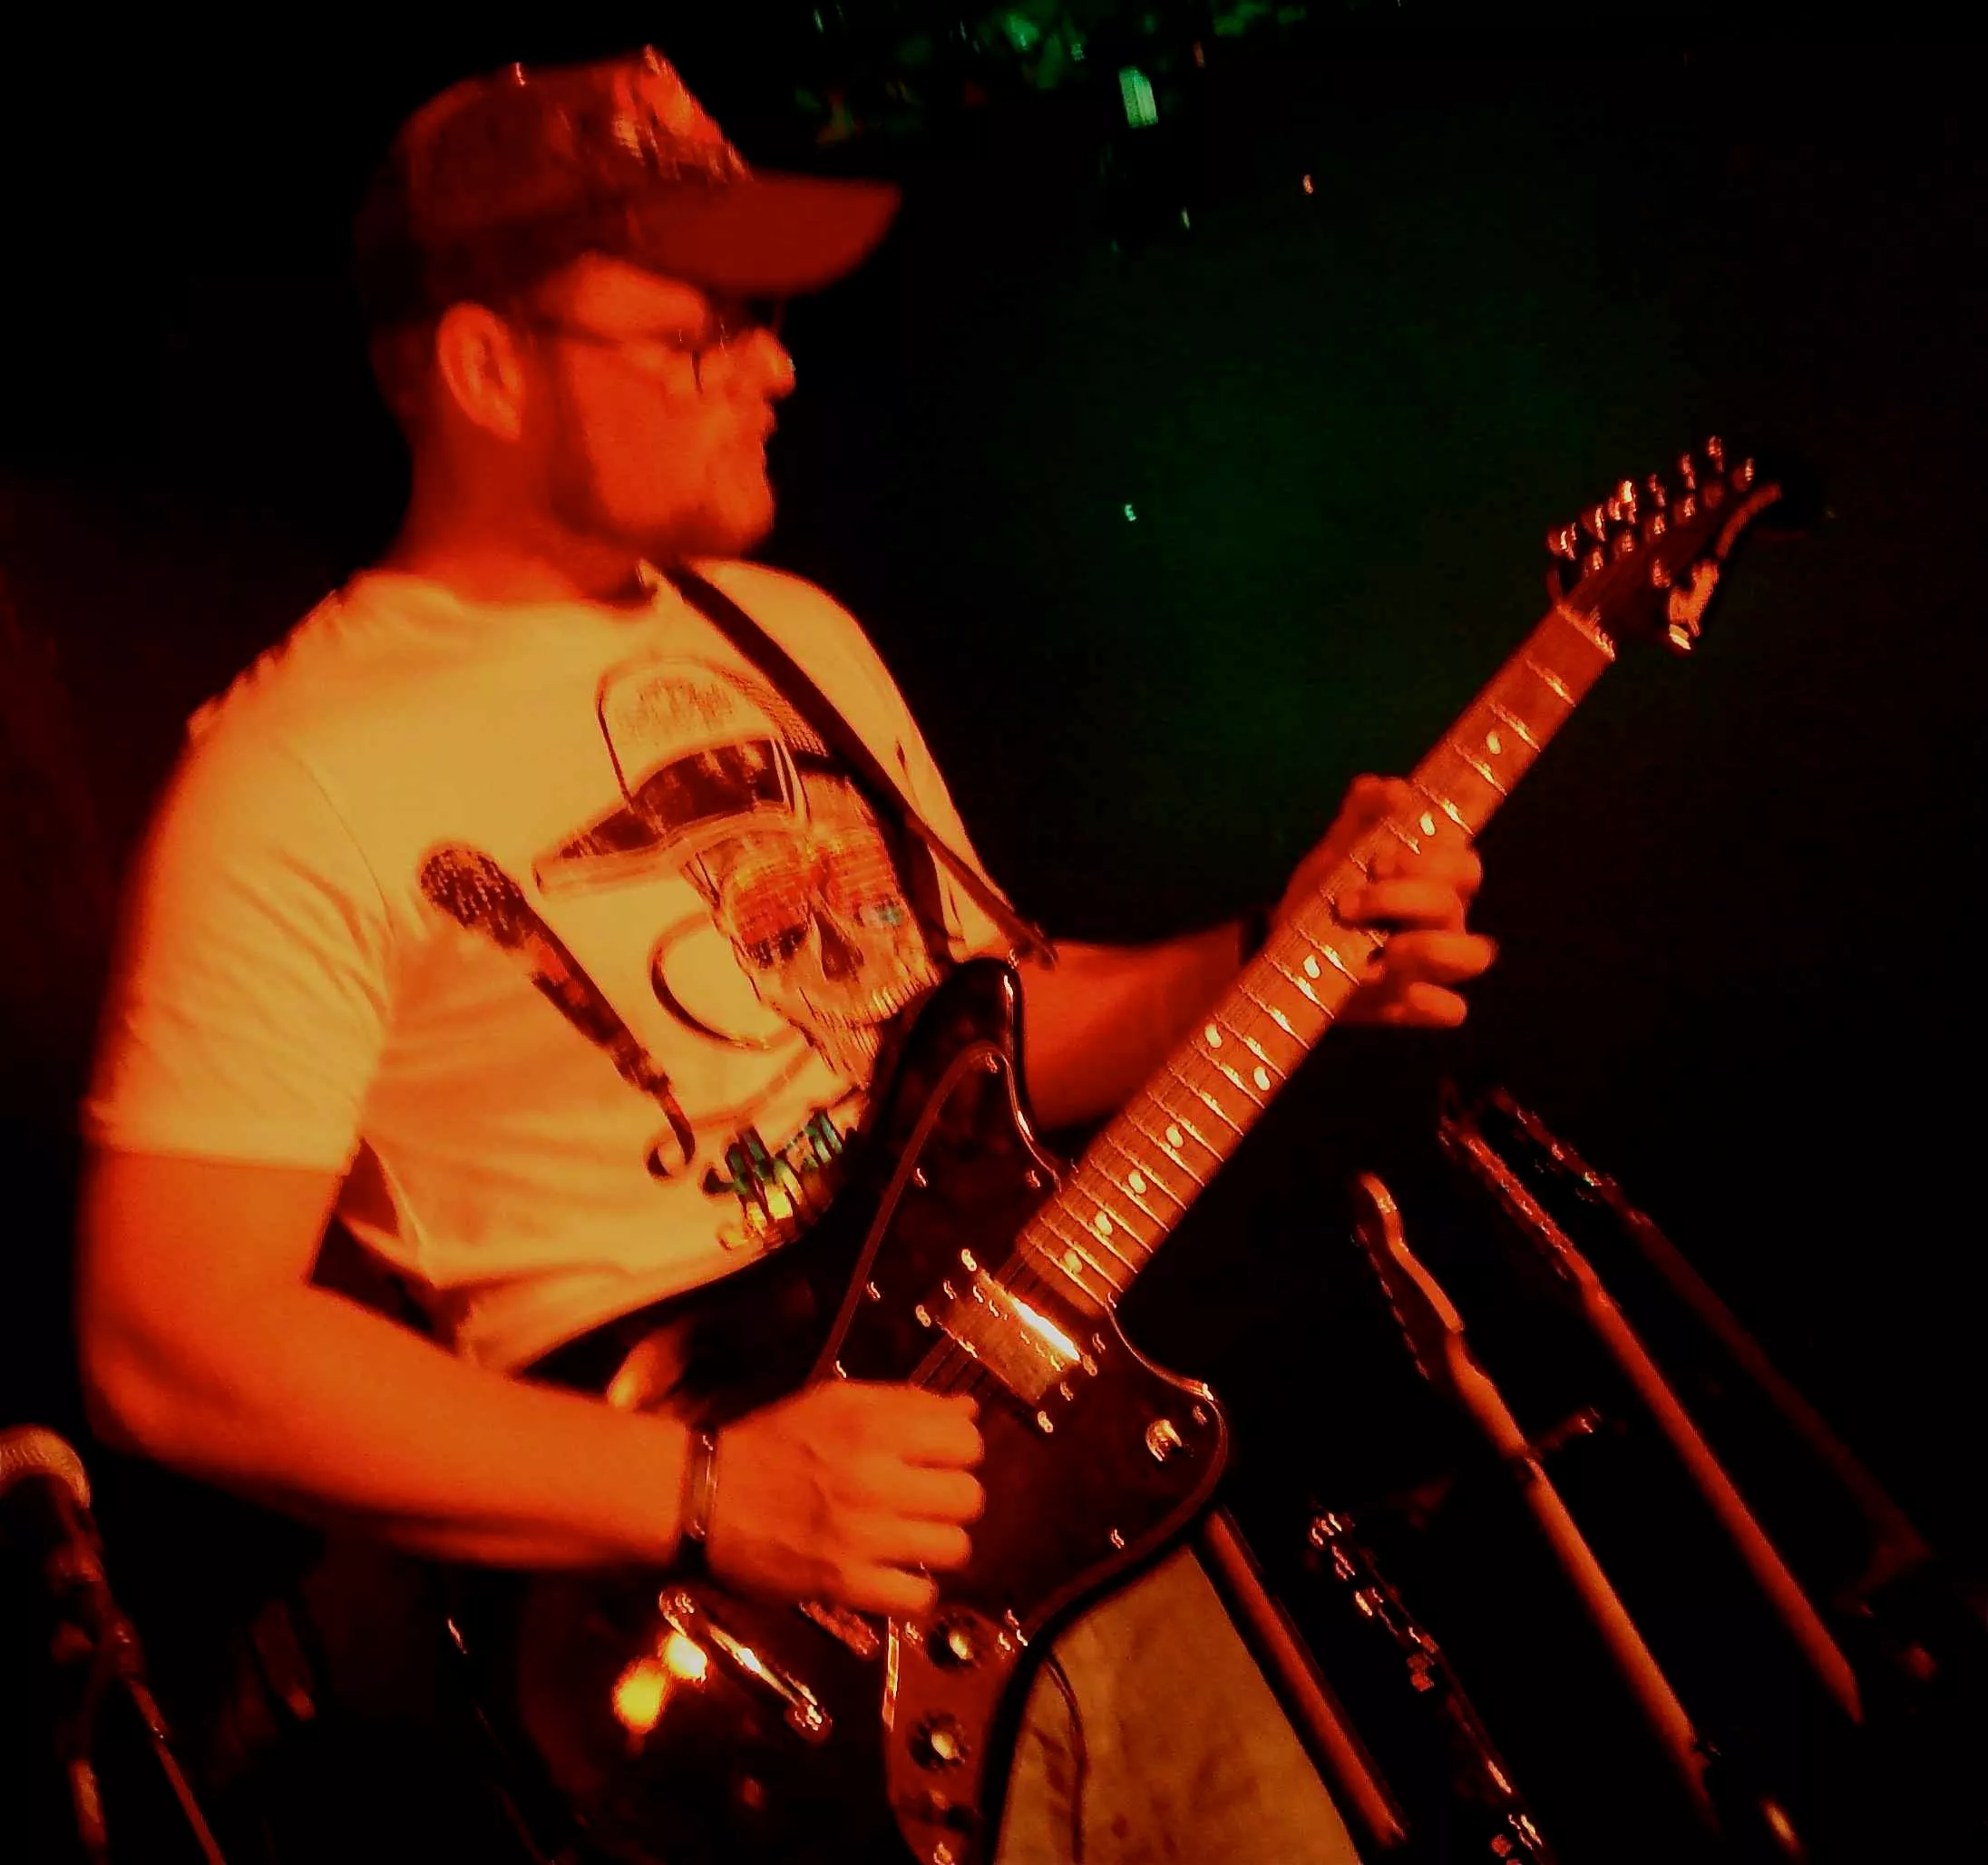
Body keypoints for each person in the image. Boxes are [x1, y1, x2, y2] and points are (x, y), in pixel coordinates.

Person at [73, 47, 1495, 1865]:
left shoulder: (790, 629)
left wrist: (1271, 958)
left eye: (766, 320)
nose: (777, 367)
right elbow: (169, 1338)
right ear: (487, 366)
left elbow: (983, 1033)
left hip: (1081, 1527)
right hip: (752, 1663)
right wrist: (710, 1488)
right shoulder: (291, 778)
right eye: (701, 333)